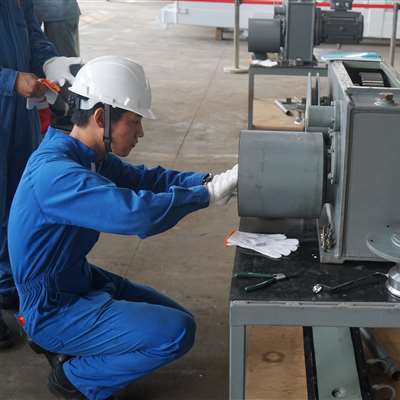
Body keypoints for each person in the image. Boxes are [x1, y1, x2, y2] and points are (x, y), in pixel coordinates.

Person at [8, 55, 238, 400]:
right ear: (102, 118)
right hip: (51, 305)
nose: (140, 133)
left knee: (174, 316)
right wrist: (205, 196)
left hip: (76, 279)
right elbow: (136, 214)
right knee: (175, 332)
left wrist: (209, 180)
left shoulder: (85, 154)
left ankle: (71, 346)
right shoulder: (57, 175)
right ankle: (73, 378)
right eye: (135, 122)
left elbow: (145, 180)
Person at [0, 0, 81, 346]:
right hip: (9, 93)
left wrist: (50, 61)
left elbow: (31, 30)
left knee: (16, 201)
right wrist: (11, 79)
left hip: (18, 112)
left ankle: (7, 282)